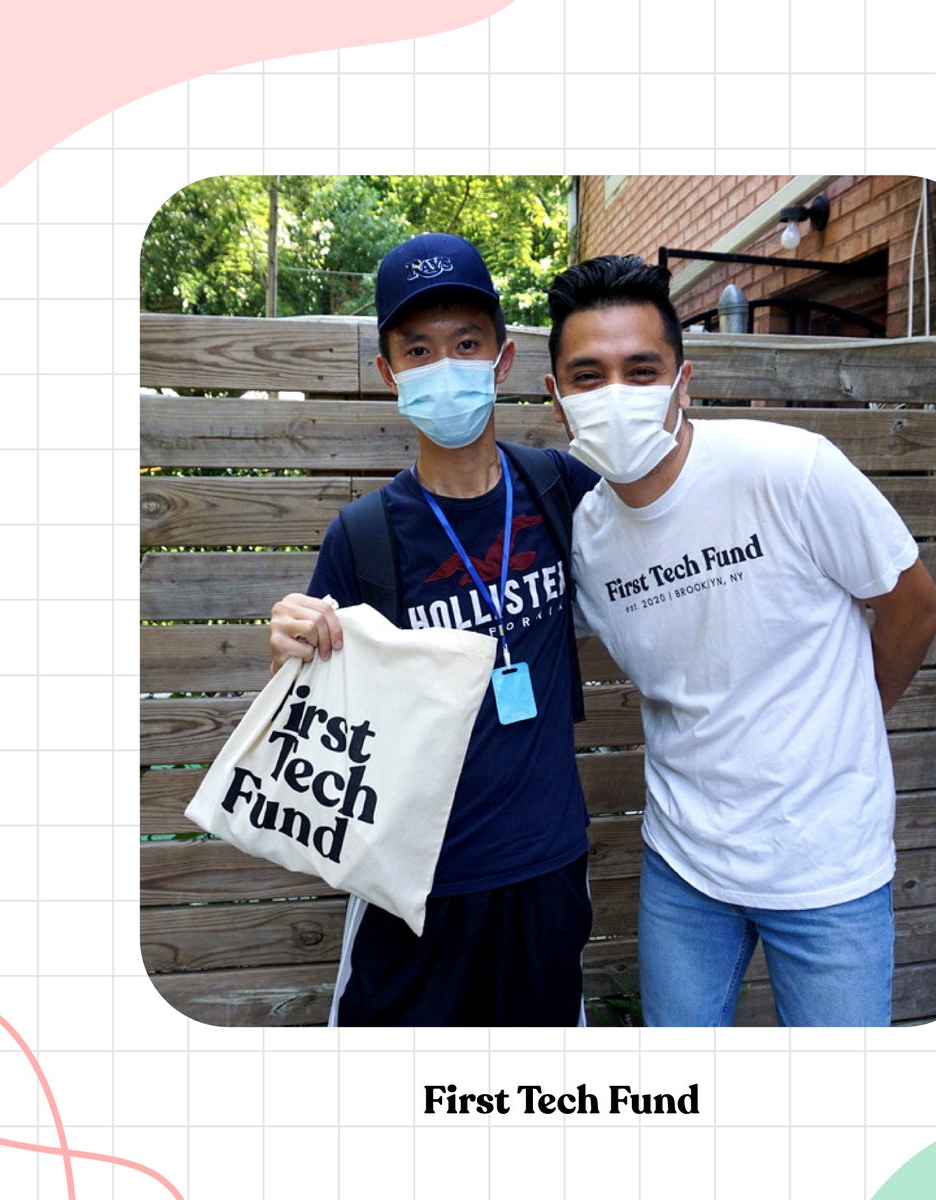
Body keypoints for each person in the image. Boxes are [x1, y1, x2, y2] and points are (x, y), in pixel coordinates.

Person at [544, 254, 936, 1027]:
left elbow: (914, 608)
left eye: (642, 369)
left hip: (828, 869)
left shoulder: (788, 470)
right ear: (557, 397)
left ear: (683, 383)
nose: (616, 395)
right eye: (589, 376)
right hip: (684, 867)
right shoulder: (586, 538)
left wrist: (848, 721)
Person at [269, 232, 599, 1026]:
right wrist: (290, 640)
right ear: (389, 374)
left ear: (503, 358)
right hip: (412, 890)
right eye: (417, 349)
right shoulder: (365, 535)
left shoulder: (563, 488)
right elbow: (313, 703)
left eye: (464, 343)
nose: (443, 365)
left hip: (547, 870)